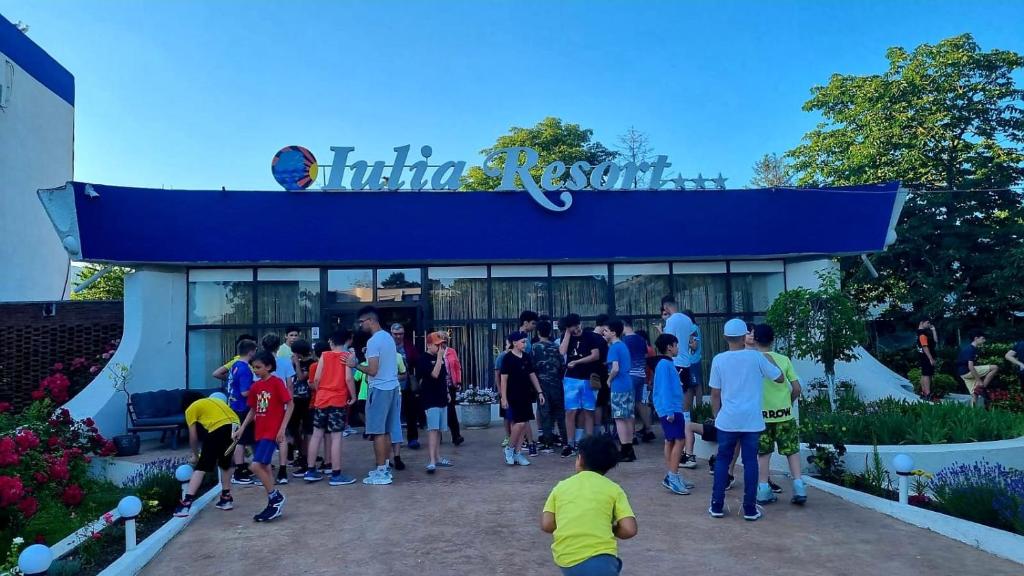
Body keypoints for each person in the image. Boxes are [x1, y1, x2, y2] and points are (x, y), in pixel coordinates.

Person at [708, 318, 784, 522]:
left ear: (725, 337)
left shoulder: (719, 360)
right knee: (750, 462)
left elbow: (715, 393)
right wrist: (765, 354)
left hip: (728, 420)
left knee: (723, 460)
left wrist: (717, 416)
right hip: (751, 421)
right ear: (745, 337)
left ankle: (717, 505)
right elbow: (779, 378)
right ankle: (750, 509)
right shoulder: (756, 358)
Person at [541, 435, 637, 576]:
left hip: (567, 560)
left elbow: (547, 524)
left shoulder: (561, 487)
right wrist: (609, 528)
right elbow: (629, 530)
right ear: (609, 466)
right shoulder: (614, 489)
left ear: (580, 459)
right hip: (602, 559)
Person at [233, 351, 293, 522]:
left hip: (271, 432)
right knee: (264, 467)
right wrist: (242, 429)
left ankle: (275, 497)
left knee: (255, 466)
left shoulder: (276, 383)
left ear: (268, 366)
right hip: (260, 431)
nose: (255, 370)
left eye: (258, 367)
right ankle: (273, 503)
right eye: (253, 368)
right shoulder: (256, 387)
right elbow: (253, 409)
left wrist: (282, 429)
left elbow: (289, 404)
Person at [752, 324, 807, 505]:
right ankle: (799, 486)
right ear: (773, 340)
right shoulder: (784, 359)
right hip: (785, 415)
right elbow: (797, 388)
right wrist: (788, 403)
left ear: (755, 339)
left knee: (764, 453)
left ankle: (763, 489)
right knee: (791, 451)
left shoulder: (752, 361)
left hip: (762, 417)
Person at [348, 306, 402, 485]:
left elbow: (372, 370)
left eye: (362, 322)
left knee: (377, 431)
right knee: (386, 430)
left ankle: (381, 472)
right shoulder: (388, 338)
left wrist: (355, 364)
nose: (361, 325)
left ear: (370, 320)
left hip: (379, 389)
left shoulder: (373, 342)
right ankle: (384, 467)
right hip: (392, 387)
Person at [304, 330, 357, 485]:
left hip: (321, 399)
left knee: (316, 435)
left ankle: (311, 470)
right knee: (336, 437)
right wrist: (353, 396)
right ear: (347, 341)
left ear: (331, 342)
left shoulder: (324, 356)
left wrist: (321, 390)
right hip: (338, 399)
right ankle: (336, 473)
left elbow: (317, 378)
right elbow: (348, 378)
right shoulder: (347, 356)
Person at [174, 392, 240, 517]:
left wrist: (195, 455)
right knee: (225, 463)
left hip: (218, 427)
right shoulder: (215, 401)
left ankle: (186, 504)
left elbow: (193, 437)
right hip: (236, 426)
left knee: (202, 466)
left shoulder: (191, 409)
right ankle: (226, 499)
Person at [559, 313, 603, 458]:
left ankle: (588, 443)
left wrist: (577, 362)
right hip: (571, 379)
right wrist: (567, 333)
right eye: (572, 328)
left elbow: (595, 355)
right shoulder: (568, 337)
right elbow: (562, 351)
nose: (575, 330)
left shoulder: (590, 337)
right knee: (570, 411)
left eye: (576, 326)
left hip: (587, 378)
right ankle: (570, 443)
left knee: (588, 411)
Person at [500, 331, 546, 466]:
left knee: (524, 424)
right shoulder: (507, 358)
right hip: (512, 396)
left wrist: (540, 392)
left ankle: (518, 453)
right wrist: (503, 398)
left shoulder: (526, 357)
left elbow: (532, 374)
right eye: (523, 342)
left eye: (526, 342)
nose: (525, 344)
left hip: (526, 395)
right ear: (515, 343)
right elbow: (503, 380)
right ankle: (509, 448)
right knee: (518, 423)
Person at [652, 333, 691, 495]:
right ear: (669, 347)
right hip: (671, 409)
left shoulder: (666, 363)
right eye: (676, 345)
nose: (677, 348)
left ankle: (672, 473)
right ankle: (673, 476)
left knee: (670, 441)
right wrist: (669, 411)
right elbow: (664, 389)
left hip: (671, 408)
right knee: (680, 440)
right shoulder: (664, 365)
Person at [261, 334, 296, 484]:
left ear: (263, 346)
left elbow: (258, 386)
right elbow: (290, 385)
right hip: (282, 403)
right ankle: (283, 472)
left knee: (265, 437)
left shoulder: (259, 363)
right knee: (282, 437)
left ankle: (267, 471)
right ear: (278, 346)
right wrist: (289, 403)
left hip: (264, 403)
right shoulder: (285, 362)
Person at [420, 332, 455, 473]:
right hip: (430, 398)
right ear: (429, 345)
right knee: (433, 429)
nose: (440, 347)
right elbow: (434, 374)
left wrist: (446, 392)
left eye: (442, 345)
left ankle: (438, 457)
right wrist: (440, 357)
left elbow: (443, 376)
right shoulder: (423, 359)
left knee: (439, 429)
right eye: (437, 345)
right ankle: (432, 460)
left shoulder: (439, 358)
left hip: (441, 397)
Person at [661, 296, 697, 428]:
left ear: (666, 307)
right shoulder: (687, 319)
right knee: (686, 390)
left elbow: (668, 340)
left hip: (675, 361)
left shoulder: (671, 321)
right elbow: (693, 340)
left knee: (674, 391)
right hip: (686, 360)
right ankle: (686, 418)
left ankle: (677, 420)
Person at [226, 339, 258, 485]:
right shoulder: (245, 369)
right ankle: (239, 471)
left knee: (243, 439)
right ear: (251, 352)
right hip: (242, 407)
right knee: (242, 440)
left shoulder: (235, 365)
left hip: (234, 405)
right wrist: (258, 386)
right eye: (255, 350)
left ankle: (242, 467)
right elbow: (245, 392)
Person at [533, 320, 567, 452]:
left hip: (541, 385)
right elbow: (562, 366)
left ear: (538, 332)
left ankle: (547, 443)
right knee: (560, 413)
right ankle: (565, 441)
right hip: (557, 384)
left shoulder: (535, 348)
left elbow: (532, 368)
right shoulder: (556, 347)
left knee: (545, 413)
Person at [604, 319, 635, 462]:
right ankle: (629, 448)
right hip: (628, 383)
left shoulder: (614, 348)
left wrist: (609, 380)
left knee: (619, 418)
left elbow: (615, 368)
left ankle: (624, 449)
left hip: (619, 385)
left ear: (613, 332)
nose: (604, 333)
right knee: (627, 417)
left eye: (606, 330)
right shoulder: (623, 346)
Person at [392, 322, 425, 451]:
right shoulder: (387, 345)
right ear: (391, 333)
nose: (398, 337)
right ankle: (393, 439)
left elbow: (417, 361)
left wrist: (419, 378)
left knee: (411, 412)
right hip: (391, 385)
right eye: (395, 334)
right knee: (392, 414)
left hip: (406, 384)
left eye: (400, 334)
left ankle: (412, 438)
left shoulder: (408, 345)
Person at [623, 321, 654, 443]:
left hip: (630, 375)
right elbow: (646, 355)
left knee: (629, 405)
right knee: (639, 403)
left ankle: (632, 435)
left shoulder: (624, 341)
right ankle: (649, 429)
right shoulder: (641, 339)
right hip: (641, 375)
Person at [287, 340, 314, 476]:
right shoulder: (291, 362)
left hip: (307, 399)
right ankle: (299, 453)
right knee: (294, 428)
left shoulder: (311, 363)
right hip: (294, 399)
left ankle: (306, 459)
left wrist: (297, 364)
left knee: (307, 430)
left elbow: (301, 377)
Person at [957, 333, 1000, 407]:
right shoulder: (971, 349)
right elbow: (970, 366)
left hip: (962, 374)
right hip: (967, 371)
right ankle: (981, 387)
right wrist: (979, 381)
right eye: (983, 338)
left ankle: (973, 413)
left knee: (974, 395)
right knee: (995, 367)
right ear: (976, 338)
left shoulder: (969, 348)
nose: (984, 340)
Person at [439, 332, 466, 446]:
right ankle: (437, 436)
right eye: (441, 340)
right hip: (438, 385)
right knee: (439, 410)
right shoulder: (434, 353)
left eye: (445, 340)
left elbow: (457, 367)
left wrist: (458, 381)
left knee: (451, 410)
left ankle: (456, 436)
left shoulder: (451, 351)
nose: (443, 343)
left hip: (451, 385)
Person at [684, 310, 704, 408]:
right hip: (688, 361)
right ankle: (689, 411)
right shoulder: (689, 328)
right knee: (689, 387)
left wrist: (683, 343)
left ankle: (700, 409)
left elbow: (694, 346)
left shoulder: (693, 328)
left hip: (693, 361)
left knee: (696, 385)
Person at [916, 319, 939, 400]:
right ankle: (928, 393)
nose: (929, 324)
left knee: (925, 374)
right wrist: (930, 358)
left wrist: (933, 330)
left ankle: (924, 392)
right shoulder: (922, 334)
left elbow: (935, 341)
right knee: (927, 374)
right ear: (922, 323)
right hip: (926, 356)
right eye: (928, 322)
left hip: (926, 356)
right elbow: (925, 346)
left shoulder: (925, 332)